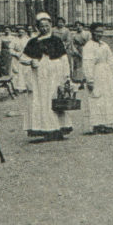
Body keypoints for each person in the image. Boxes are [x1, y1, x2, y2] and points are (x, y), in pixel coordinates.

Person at [21, 12, 73, 141]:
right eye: (41, 26)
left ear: (50, 25)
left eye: (46, 25)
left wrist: (66, 76)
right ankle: (45, 129)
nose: (44, 28)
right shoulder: (33, 42)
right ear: (38, 27)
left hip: (55, 74)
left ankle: (58, 128)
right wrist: (31, 61)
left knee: (54, 99)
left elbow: (64, 58)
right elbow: (23, 58)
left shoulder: (56, 40)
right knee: (41, 100)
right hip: (39, 76)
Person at [82, 23, 113, 133]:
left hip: (106, 74)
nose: (99, 34)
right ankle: (97, 124)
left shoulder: (104, 45)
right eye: (97, 31)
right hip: (96, 73)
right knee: (96, 97)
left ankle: (106, 123)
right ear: (92, 32)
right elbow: (87, 63)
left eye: (101, 31)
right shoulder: (88, 46)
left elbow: (110, 59)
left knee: (107, 98)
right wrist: (89, 79)